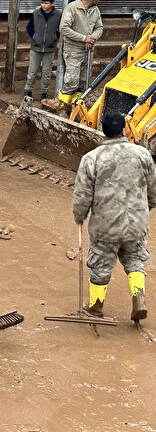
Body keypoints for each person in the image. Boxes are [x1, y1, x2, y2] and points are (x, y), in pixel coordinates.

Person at [74, 113, 156, 322]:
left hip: (106, 224)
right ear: (124, 130)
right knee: (134, 258)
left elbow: (83, 194)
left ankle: (96, 307)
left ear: (103, 131)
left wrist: (79, 215)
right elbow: (153, 189)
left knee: (101, 263)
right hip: (136, 222)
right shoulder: (143, 154)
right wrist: (144, 210)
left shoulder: (91, 158)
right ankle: (139, 299)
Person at [55, 0, 103, 108]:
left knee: (83, 80)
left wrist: (91, 38)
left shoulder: (95, 10)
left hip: (88, 50)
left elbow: (99, 28)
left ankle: (76, 107)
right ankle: (62, 106)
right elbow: (64, 28)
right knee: (71, 81)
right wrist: (84, 38)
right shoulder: (72, 8)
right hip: (73, 50)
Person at [24, 0, 61, 100]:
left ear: (52, 4)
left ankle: (44, 92)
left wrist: (55, 37)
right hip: (36, 47)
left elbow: (61, 28)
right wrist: (34, 36)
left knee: (46, 73)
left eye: (46, 3)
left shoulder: (58, 15)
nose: (43, 5)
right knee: (32, 71)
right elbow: (29, 27)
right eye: (42, 3)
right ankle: (28, 91)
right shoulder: (36, 13)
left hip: (50, 49)